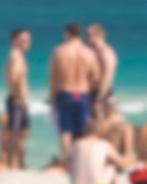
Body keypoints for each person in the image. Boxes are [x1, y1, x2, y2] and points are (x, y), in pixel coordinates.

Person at [49, 23, 101, 158]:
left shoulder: (59, 51)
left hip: (65, 93)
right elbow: (95, 78)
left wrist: (52, 97)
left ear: (67, 33)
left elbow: (53, 77)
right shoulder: (89, 53)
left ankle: (68, 161)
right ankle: (80, 158)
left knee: (66, 131)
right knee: (82, 130)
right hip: (82, 94)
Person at [3, 28, 32, 168]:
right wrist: (18, 98)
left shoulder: (18, 55)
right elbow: (12, 78)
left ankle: (20, 163)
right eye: (23, 40)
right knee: (16, 134)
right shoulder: (15, 55)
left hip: (20, 100)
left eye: (28, 39)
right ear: (15, 41)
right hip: (17, 101)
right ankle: (13, 164)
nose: (27, 42)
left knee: (23, 133)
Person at [68, 120, 132, 184]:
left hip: (76, 182)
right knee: (111, 166)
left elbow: (67, 160)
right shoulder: (104, 144)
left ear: (84, 131)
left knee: (72, 163)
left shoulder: (77, 144)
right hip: (98, 182)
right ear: (99, 131)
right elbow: (119, 162)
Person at [85, 24, 118, 114]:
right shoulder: (91, 51)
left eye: (88, 35)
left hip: (103, 94)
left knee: (104, 125)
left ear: (98, 35)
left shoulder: (106, 53)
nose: (86, 38)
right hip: (90, 94)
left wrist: (98, 100)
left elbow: (107, 78)